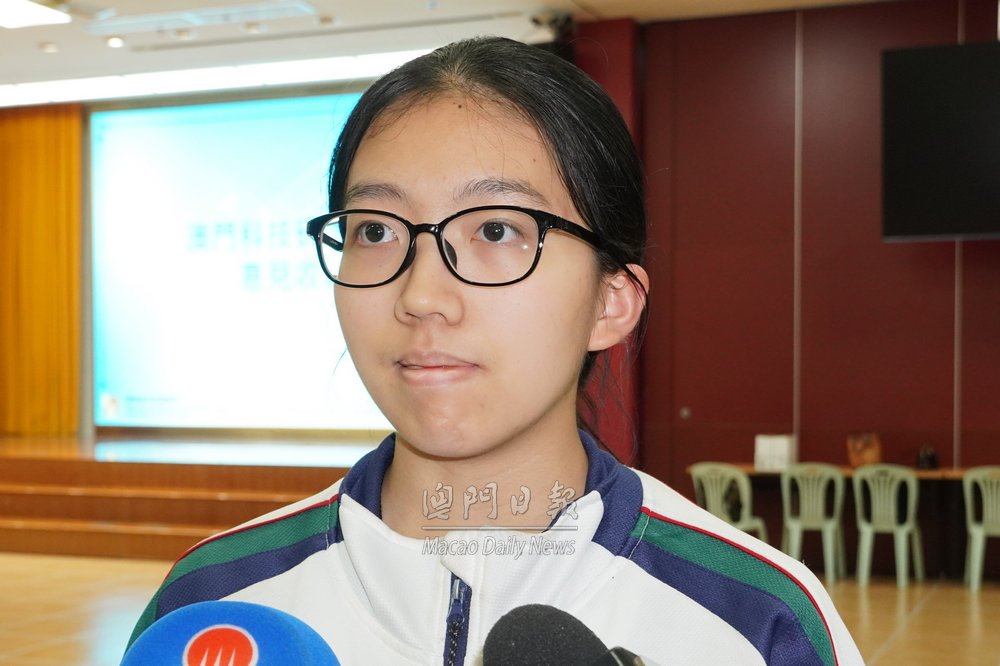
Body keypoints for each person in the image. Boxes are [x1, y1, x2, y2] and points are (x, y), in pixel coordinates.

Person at [126, 36, 862, 665]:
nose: (422, 296)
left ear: (611, 302)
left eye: (497, 230)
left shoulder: (755, 623)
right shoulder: (213, 608)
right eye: (375, 230)